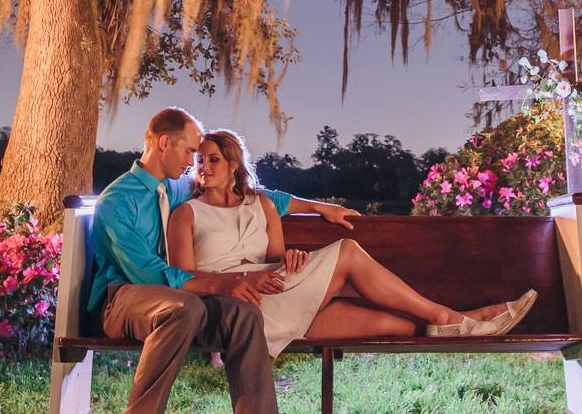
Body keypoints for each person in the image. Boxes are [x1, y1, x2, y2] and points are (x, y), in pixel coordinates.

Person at [88, 107, 359, 414]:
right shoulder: (117, 200)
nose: (193, 162)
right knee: (187, 307)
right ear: (165, 144)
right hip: (123, 297)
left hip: (185, 302)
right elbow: (149, 274)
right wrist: (229, 282)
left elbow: (264, 197)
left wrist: (317, 207)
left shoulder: (177, 187)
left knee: (244, 313)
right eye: (189, 152)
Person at [167, 129, 536, 356]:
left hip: (281, 291)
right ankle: (453, 317)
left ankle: (463, 320)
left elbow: (276, 260)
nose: (204, 167)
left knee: (398, 326)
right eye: (199, 161)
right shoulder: (187, 214)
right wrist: (233, 284)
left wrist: (294, 256)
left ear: (233, 164)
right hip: (242, 308)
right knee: (346, 252)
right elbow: (184, 279)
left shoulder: (261, 204)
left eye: (213, 159)